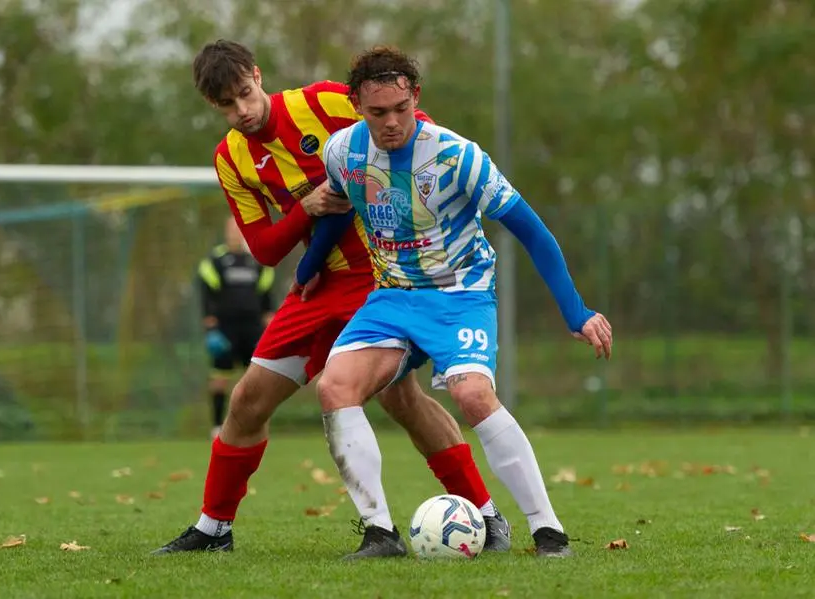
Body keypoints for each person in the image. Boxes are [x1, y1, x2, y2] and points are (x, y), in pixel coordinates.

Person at [153, 39, 512, 556]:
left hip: (383, 277)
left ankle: (484, 513)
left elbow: (414, 133)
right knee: (247, 400)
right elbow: (265, 249)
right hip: (316, 286)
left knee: (400, 396)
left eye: (246, 94)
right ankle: (214, 529)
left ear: (258, 75)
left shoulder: (323, 103)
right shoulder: (231, 158)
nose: (243, 111)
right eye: (227, 105)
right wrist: (310, 208)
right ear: (213, 106)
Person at [296, 46, 613, 559]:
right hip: (392, 297)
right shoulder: (341, 150)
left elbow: (531, 232)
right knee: (334, 388)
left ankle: (548, 531)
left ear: (415, 97)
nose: (392, 122)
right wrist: (309, 268)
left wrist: (576, 311)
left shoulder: (456, 156)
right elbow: (339, 205)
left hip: (460, 295)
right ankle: (380, 532)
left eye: (401, 108)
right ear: (355, 103)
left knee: (471, 395)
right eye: (378, 112)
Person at [198, 218, 275, 439]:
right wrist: (211, 326)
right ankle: (216, 426)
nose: (236, 232)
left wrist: (269, 324)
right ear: (226, 231)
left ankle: (254, 425)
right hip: (225, 327)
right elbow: (207, 296)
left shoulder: (257, 261)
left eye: (240, 228)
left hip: (252, 328)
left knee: (254, 379)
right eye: (232, 228)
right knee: (220, 377)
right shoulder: (215, 261)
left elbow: (266, 298)